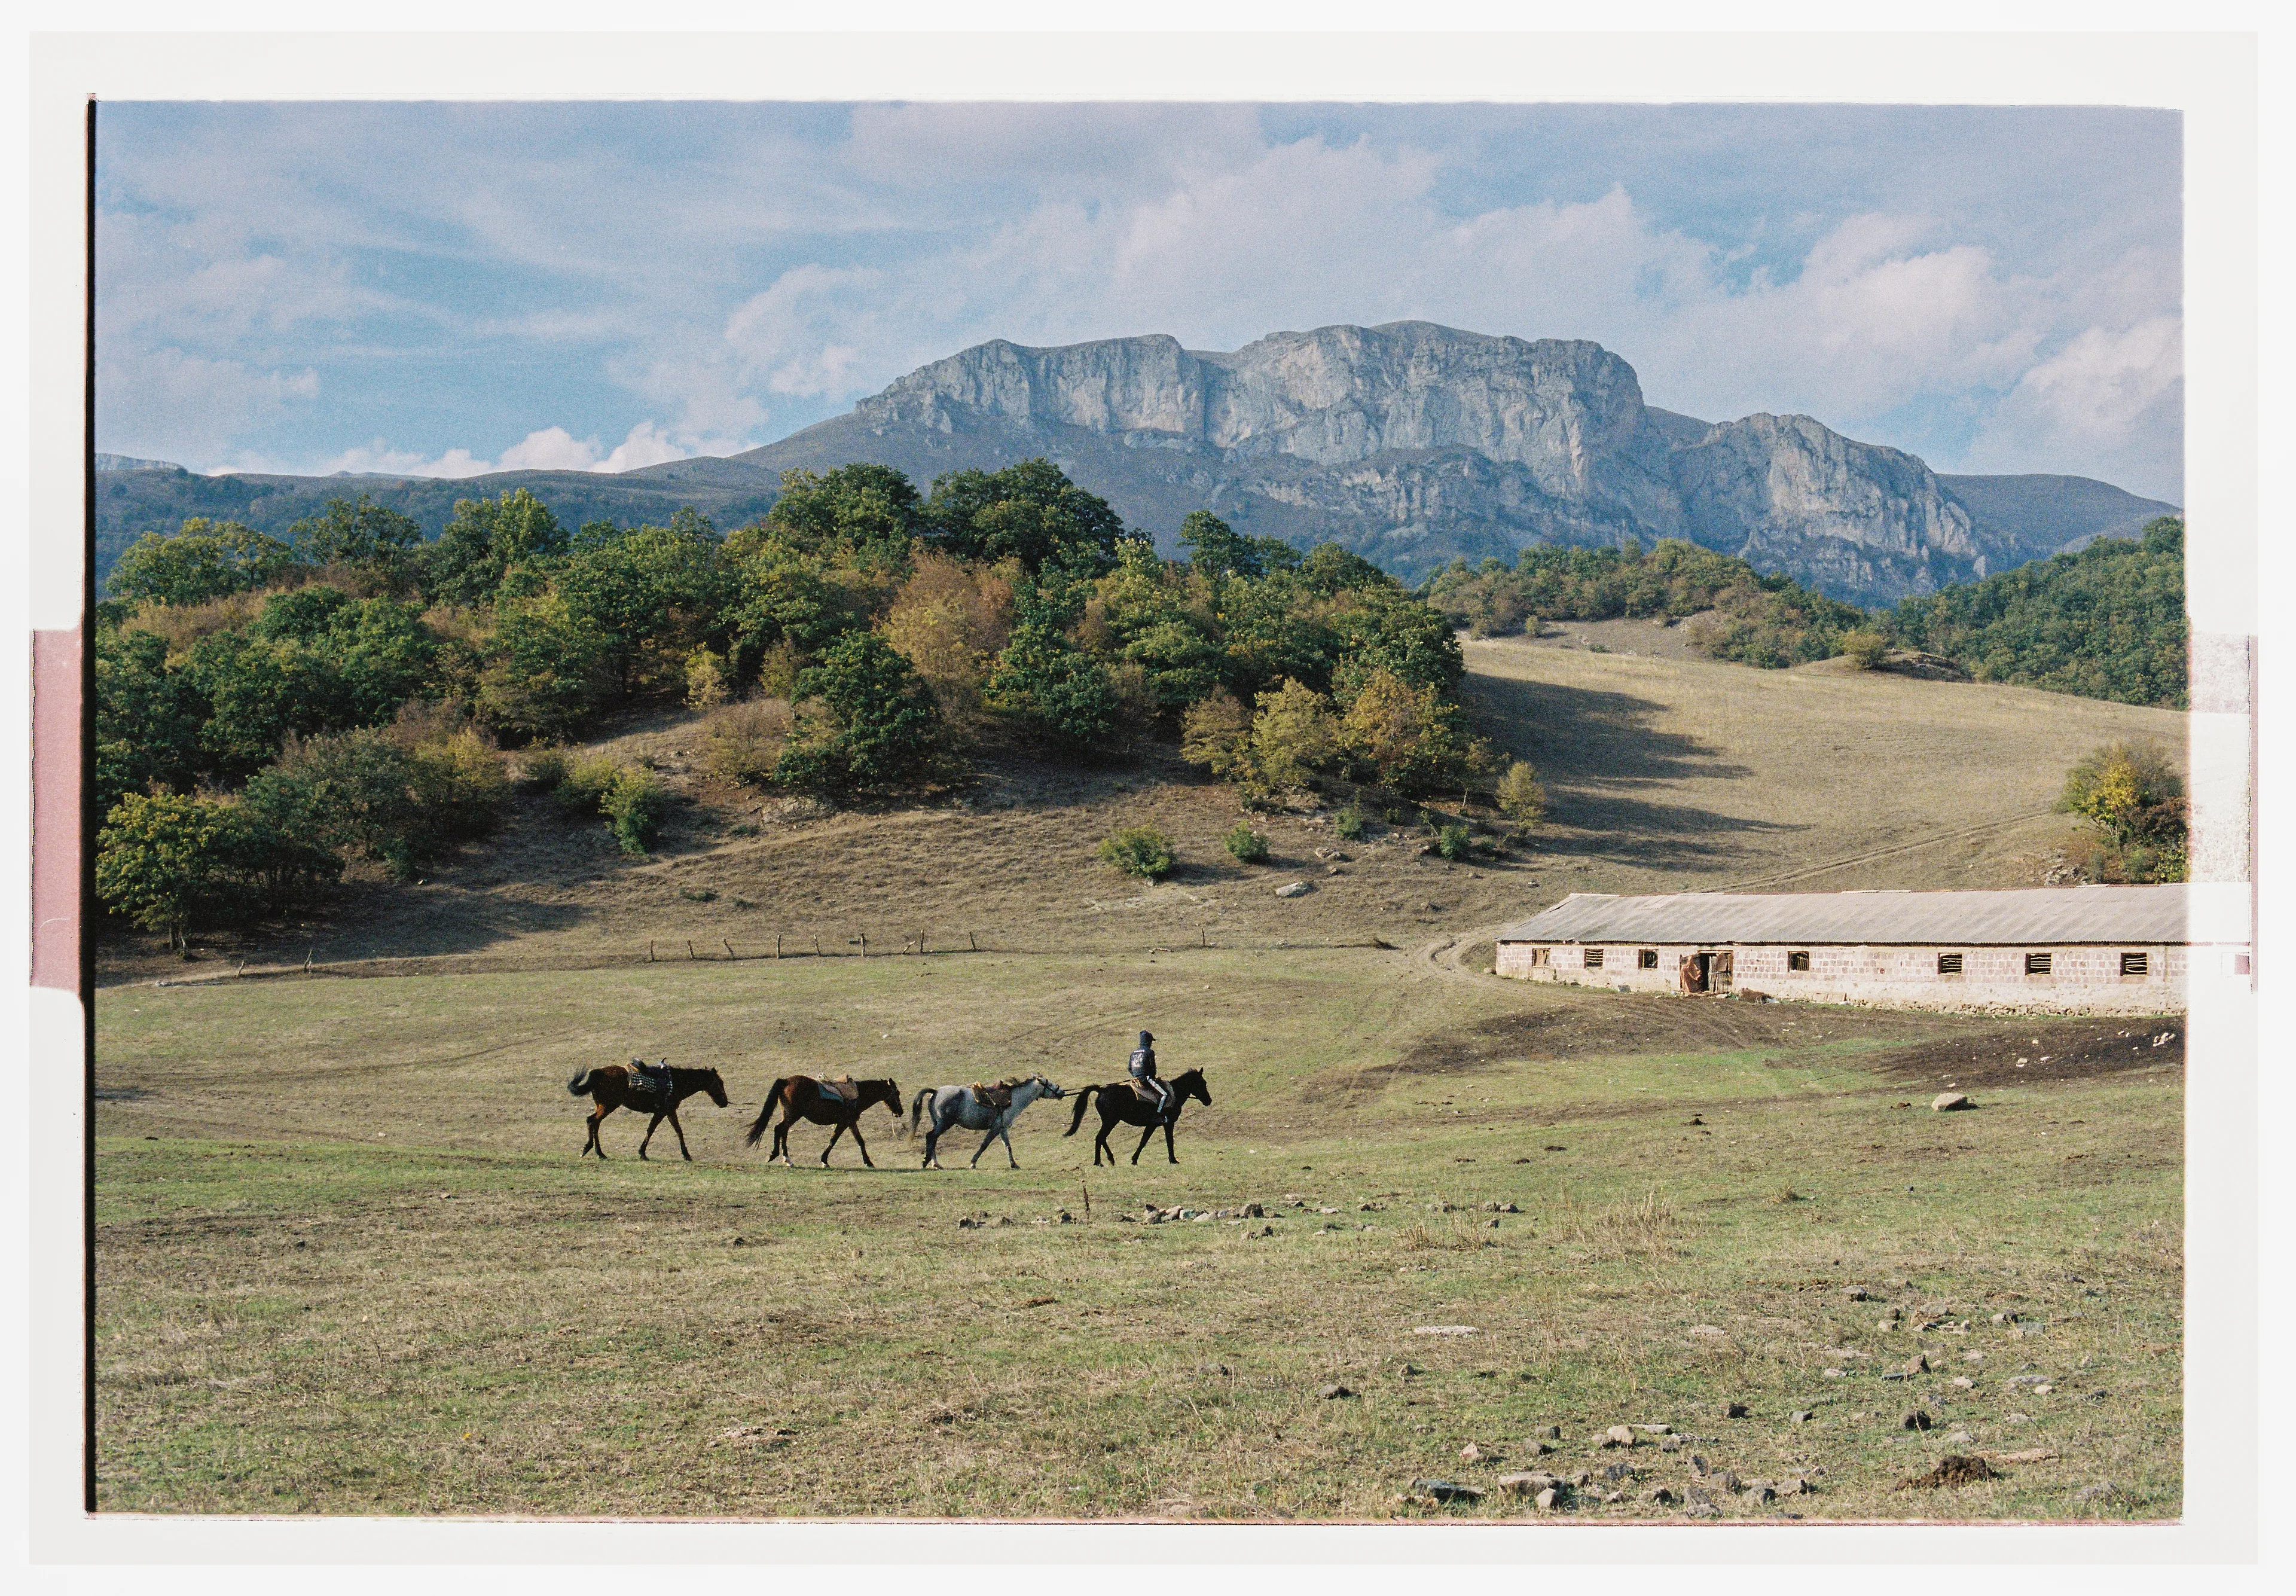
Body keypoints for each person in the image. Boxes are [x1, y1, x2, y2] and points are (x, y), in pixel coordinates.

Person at [1128, 1030, 1170, 1114]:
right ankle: (1158, 1114)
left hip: (1136, 1080)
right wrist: (1153, 1078)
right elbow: (1152, 1068)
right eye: (1151, 1041)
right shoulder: (1150, 1052)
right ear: (1148, 1041)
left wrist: (1136, 1076)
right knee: (1165, 1094)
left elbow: (1129, 1068)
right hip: (1146, 1079)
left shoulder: (1134, 1053)